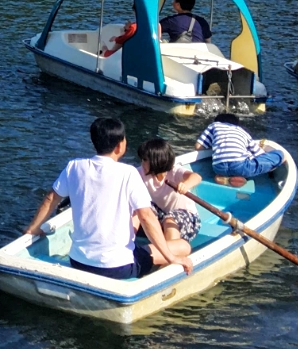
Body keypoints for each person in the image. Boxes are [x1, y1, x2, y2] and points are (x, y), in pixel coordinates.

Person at [23, 118, 192, 280]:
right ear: (120, 146)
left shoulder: (74, 167)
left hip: (78, 262)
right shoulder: (128, 173)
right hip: (119, 268)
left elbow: (51, 198)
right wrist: (171, 258)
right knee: (183, 247)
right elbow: (147, 217)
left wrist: (34, 227)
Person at [136, 138, 201, 265]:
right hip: (161, 213)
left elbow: (196, 177)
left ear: (156, 161)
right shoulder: (142, 173)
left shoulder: (174, 171)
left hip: (187, 217)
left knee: (169, 219)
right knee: (139, 208)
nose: (142, 163)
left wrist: (185, 184)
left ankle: (167, 263)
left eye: (145, 160)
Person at [196, 113, 282, 185]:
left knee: (232, 167)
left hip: (218, 167)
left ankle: (225, 177)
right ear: (237, 124)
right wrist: (263, 148)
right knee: (279, 154)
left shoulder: (214, 125)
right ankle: (240, 177)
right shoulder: (243, 132)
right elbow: (259, 154)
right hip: (240, 167)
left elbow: (198, 146)